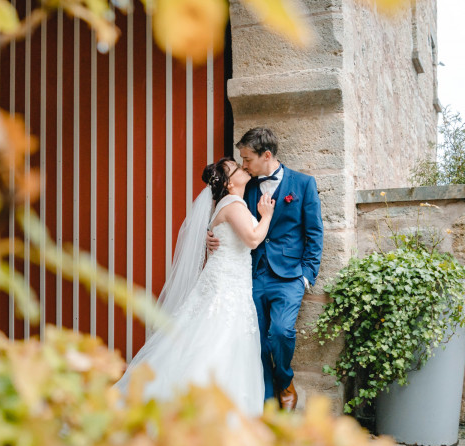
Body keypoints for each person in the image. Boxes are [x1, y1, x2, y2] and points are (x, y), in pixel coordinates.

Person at [115, 157, 275, 416]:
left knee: (212, 339)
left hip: (227, 283)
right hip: (226, 289)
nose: (243, 168)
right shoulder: (233, 204)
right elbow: (253, 239)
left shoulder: (227, 204)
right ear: (229, 182)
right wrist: (266, 215)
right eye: (236, 167)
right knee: (219, 342)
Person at [206, 127, 324, 411]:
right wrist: (213, 236)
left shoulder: (303, 184)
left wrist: (307, 274)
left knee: (282, 332)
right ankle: (267, 402)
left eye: (247, 159)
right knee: (255, 338)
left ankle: (285, 381)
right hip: (253, 274)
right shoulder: (245, 187)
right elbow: (230, 218)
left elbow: (315, 232)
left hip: (289, 276)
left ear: (266, 155)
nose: (244, 165)